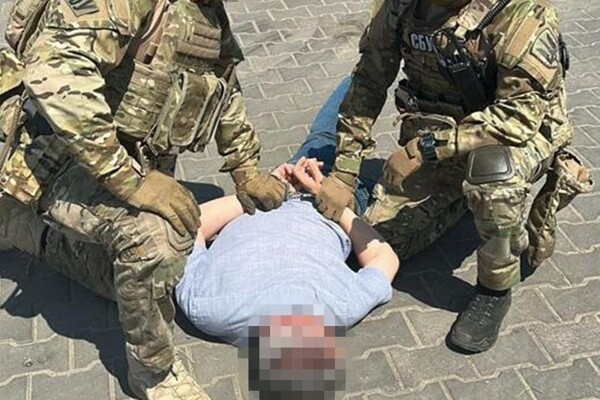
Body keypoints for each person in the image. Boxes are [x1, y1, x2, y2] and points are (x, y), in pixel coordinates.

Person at [0, 0, 286, 399]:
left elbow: (224, 86)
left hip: (112, 162)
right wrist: (133, 182)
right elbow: (55, 72)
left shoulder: (207, 11)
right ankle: (154, 375)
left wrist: (246, 168)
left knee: (128, 282)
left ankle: (18, 226)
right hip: (52, 157)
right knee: (158, 237)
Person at [313, 0, 593, 353]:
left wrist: (425, 149)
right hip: (445, 133)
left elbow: (519, 117)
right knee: (383, 242)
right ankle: (461, 195)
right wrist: (344, 170)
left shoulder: (522, 12)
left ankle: (495, 288)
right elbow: (369, 81)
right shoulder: (400, 6)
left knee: (493, 178)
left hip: (517, 135)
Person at [175, 153, 399, 398]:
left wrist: (259, 192)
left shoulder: (209, 309)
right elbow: (383, 256)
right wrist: (325, 195)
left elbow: (188, 228)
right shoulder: (339, 308)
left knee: (322, 142)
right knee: (380, 165)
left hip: (265, 199)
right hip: (327, 205)